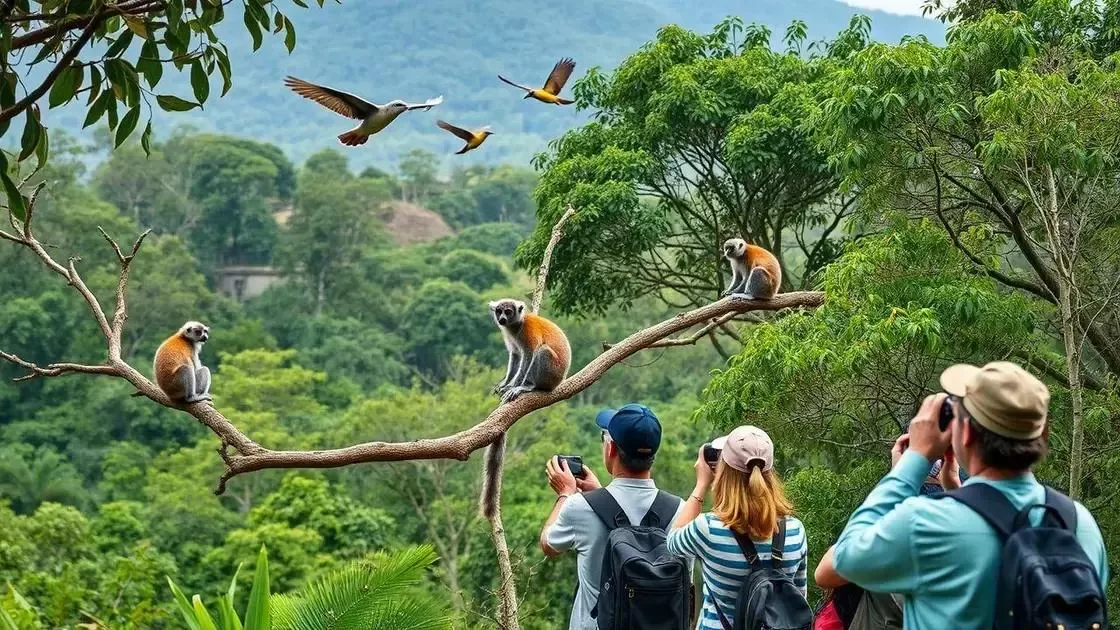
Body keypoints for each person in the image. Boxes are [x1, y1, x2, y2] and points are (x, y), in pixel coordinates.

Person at [827, 361, 1109, 628]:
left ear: (965, 435)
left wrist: (912, 463)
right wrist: (956, 490)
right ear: (1043, 434)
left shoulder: (929, 522)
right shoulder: (1077, 522)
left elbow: (844, 560)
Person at [540, 403, 685, 630]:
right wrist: (599, 494)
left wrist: (565, 495)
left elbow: (548, 544)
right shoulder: (680, 510)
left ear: (612, 449)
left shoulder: (580, 508)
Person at [813, 421, 966, 630]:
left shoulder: (884, 543)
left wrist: (897, 479)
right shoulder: (977, 545)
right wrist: (955, 488)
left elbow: (824, 573)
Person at [666, 425, 809, 630]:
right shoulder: (795, 531)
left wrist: (701, 484)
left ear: (724, 470)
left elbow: (671, 542)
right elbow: (798, 596)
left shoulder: (708, 529)